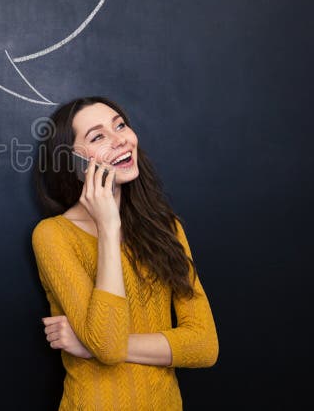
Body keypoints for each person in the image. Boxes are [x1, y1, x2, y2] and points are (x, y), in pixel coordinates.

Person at [31, 96, 219, 410]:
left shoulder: (166, 229)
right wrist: (107, 228)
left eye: (120, 125)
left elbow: (204, 345)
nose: (120, 140)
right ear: (73, 160)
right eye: (98, 136)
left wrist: (88, 346)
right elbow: (107, 342)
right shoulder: (53, 235)